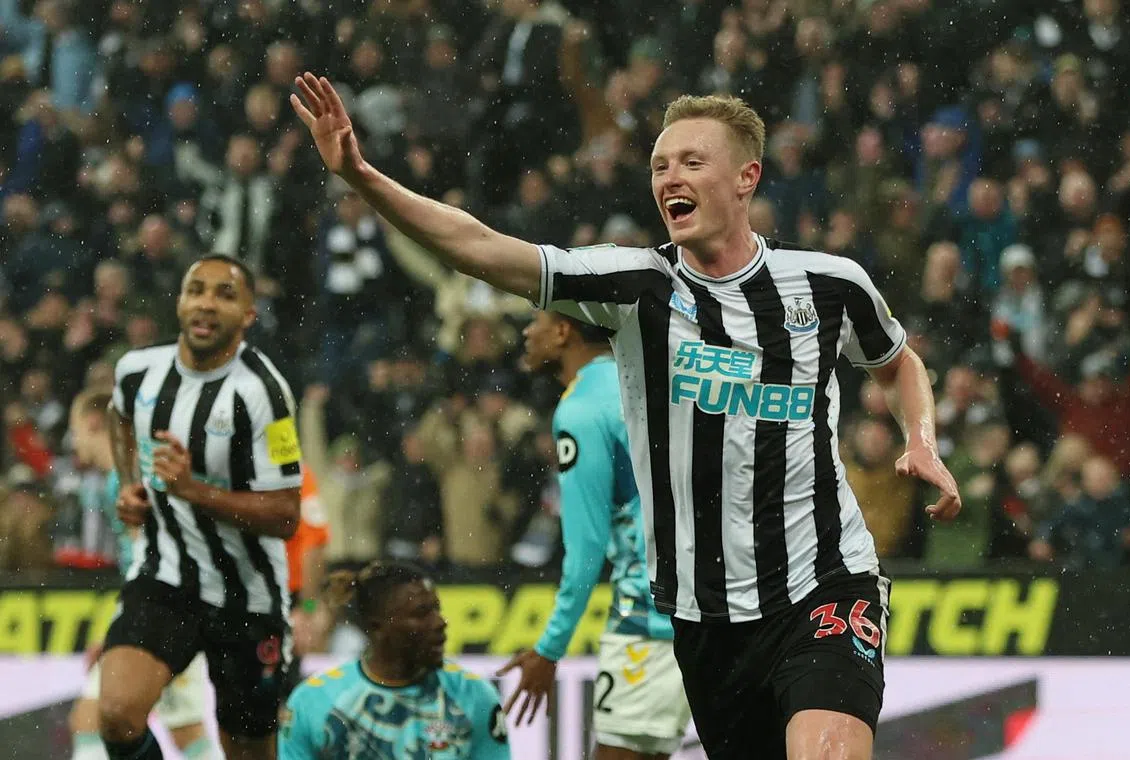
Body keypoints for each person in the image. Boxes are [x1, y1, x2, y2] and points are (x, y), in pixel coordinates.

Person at [292, 74, 961, 760]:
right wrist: (361, 175)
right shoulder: (637, 285)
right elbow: (483, 248)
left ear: (747, 178)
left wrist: (922, 438)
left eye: (692, 162)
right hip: (703, 614)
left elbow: (898, 363)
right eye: (659, 167)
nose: (670, 178)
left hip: (825, 583)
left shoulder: (829, 285)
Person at [98, 254, 303, 760]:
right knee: (118, 715)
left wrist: (194, 491)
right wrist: (130, 485)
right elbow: (118, 416)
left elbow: (285, 515)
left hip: (247, 595)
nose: (206, 304)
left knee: (249, 751)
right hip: (164, 575)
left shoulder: (264, 392)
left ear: (249, 315)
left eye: (225, 294)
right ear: (180, 303)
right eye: (197, 290)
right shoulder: (137, 371)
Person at [497, 310, 689, 759]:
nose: (526, 331)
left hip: (650, 615)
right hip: (719, 606)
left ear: (563, 332)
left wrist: (550, 648)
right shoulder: (650, 376)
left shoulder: (581, 408)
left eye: (536, 321)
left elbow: (585, 549)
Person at [67, 389, 223, 760]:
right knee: (185, 730)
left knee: (92, 718)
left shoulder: (124, 482)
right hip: (171, 605)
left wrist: (124, 628)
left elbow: (149, 552)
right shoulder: (128, 475)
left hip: (165, 609)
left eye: (76, 430)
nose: (74, 442)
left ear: (93, 423)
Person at [278, 561, 511, 758]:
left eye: (437, 609)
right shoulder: (314, 702)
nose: (440, 622)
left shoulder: (475, 696)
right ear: (377, 627)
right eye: (422, 613)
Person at [282, 464, 332, 698]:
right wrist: (308, 608)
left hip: (277, 596)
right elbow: (316, 542)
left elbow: (315, 544)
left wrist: (307, 608)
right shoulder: (296, 471)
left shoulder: (294, 472)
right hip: (280, 596)